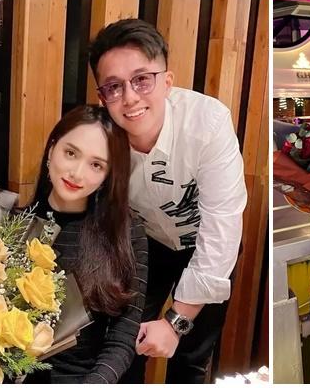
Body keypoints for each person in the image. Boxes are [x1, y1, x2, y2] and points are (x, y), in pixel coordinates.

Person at [88, 19, 247, 383]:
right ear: (102, 97)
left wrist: (176, 322)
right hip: (145, 244)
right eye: (114, 87)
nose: (130, 98)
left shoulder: (207, 123)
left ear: (167, 81)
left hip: (205, 242)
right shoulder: (99, 136)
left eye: (142, 79)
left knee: (191, 357)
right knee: (125, 347)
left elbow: (221, 226)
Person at [23, 105, 148, 383]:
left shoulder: (125, 233)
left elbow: (122, 339)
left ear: (107, 176)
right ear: (52, 149)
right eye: (71, 153)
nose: (77, 173)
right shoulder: (13, 226)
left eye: (96, 165)